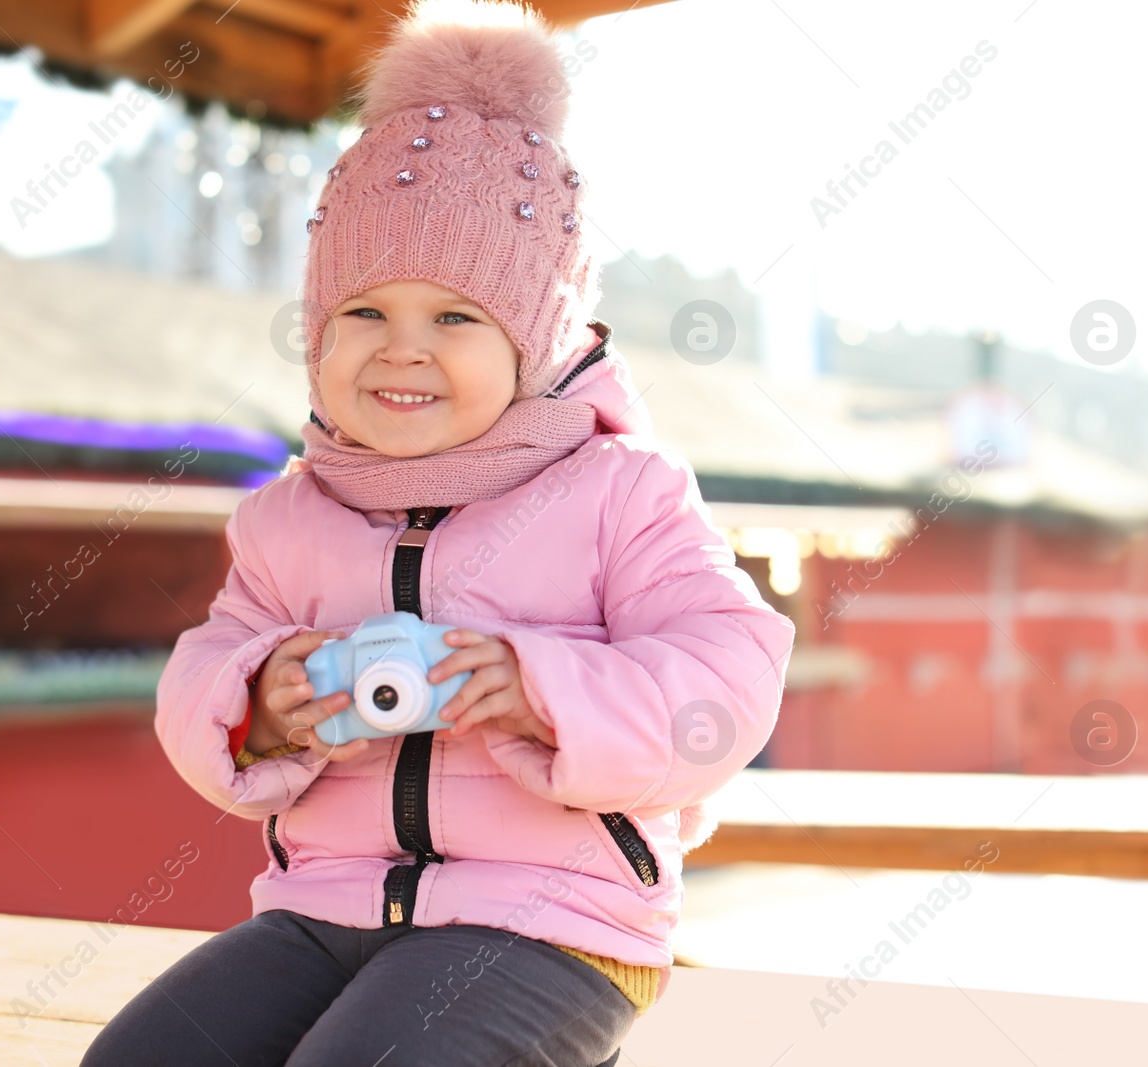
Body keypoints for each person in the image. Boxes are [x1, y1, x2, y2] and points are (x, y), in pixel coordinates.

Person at [81, 1, 795, 1063]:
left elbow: (726, 676)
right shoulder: (290, 513)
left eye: (456, 319)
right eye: (362, 313)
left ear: (538, 343)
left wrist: (540, 688)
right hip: (323, 905)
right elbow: (202, 671)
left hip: (555, 921)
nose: (401, 350)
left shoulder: (619, 490)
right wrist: (260, 701)